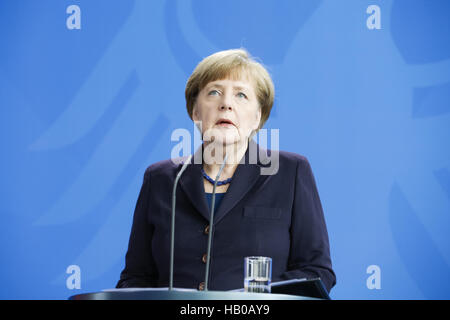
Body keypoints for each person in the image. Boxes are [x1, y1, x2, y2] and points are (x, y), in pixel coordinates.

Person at [116, 49, 336, 292]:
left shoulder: (291, 173)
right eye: (214, 92)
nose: (226, 104)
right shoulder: (160, 179)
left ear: (257, 117)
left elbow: (316, 271)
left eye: (241, 95)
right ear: (195, 111)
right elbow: (136, 277)